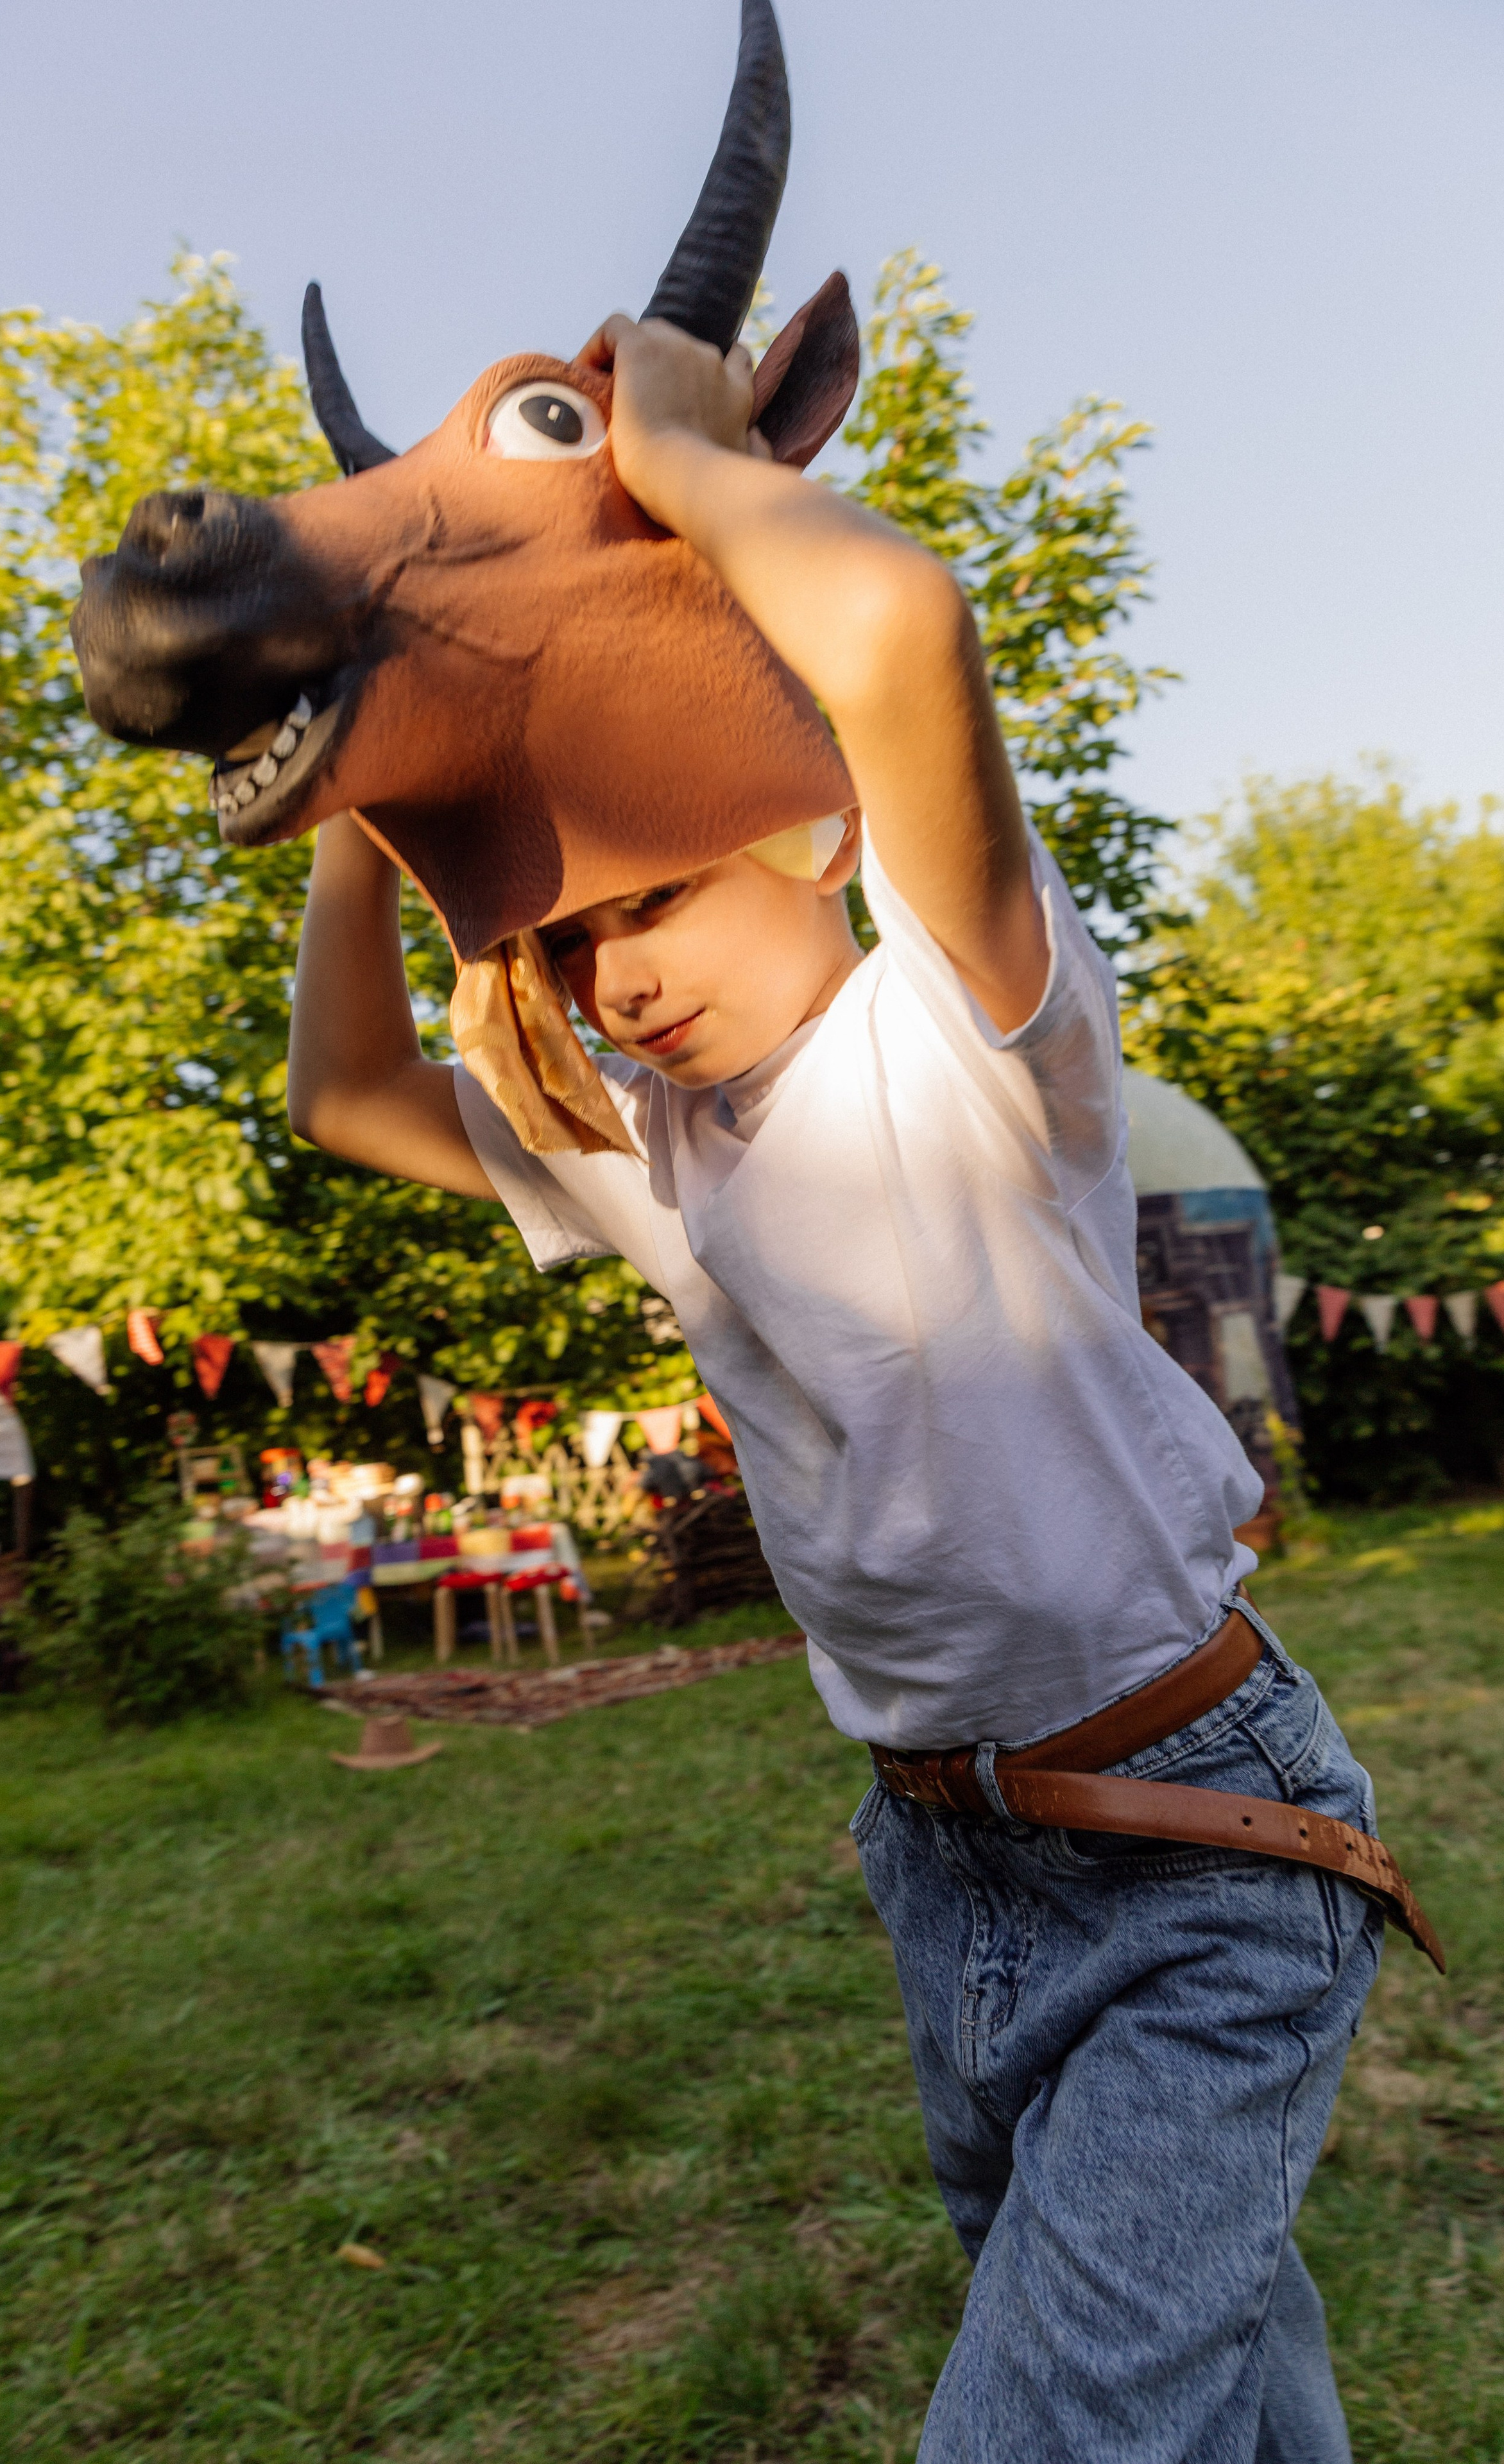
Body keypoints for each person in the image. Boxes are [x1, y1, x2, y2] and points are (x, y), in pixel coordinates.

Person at [287, 313, 1412, 2460]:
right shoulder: (645, 1161)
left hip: (1200, 1853)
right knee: (1204, 2382)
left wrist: (700, 463)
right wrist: (368, 762)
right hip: (954, 1873)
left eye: (657, 897)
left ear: (806, 834)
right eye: (566, 947)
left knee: (1054, 2423)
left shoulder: (974, 1041)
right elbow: (345, 1087)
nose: (618, 977)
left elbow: (898, 627)